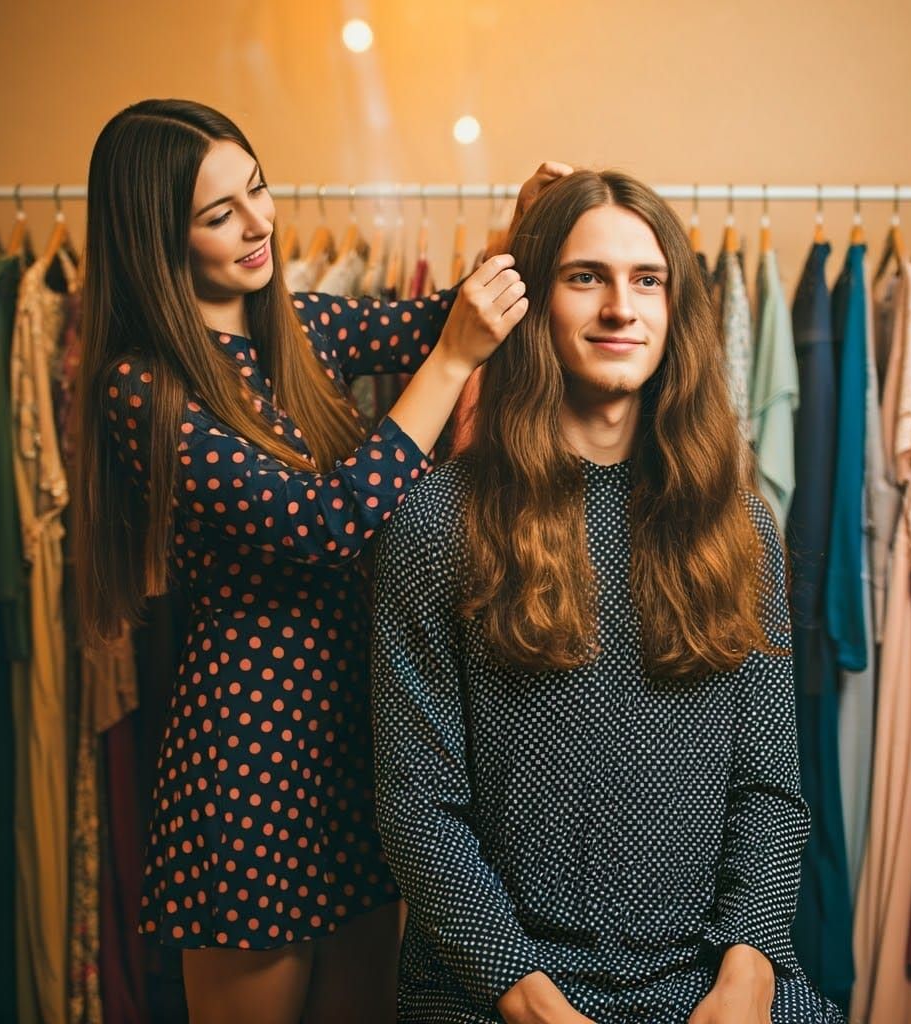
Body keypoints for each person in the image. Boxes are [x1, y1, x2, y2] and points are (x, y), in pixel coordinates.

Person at [73, 97, 567, 1024]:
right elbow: (324, 522)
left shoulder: (297, 326)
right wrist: (450, 366)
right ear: (156, 236)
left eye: (257, 190)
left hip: (358, 735)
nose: (257, 222)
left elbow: (441, 319)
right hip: (250, 757)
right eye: (218, 214)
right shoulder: (144, 387)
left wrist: (521, 231)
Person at [371, 170, 846, 1024]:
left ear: (675, 308)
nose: (621, 308)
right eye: (585, 277)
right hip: (493, 987)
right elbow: (417, 807)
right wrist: (530, 1002)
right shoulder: (440, 519)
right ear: (533, 303)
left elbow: (771, 791)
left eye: (647, 280)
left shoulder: (740, 524)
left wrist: (747, 971)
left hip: (706, 977)